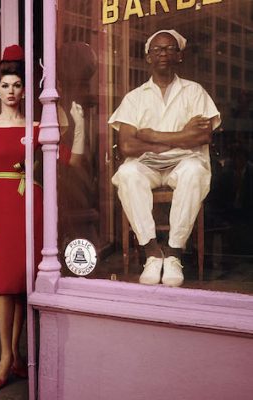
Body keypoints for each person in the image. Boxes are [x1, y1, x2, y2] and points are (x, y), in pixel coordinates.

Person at [109, 30, 221, 287]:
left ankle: (173, 253)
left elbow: (203, 137)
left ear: (179, 56)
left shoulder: (195, 92)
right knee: (127, 173)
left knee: (194, 170)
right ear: (148, 57)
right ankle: (151, 252)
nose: (163, 53)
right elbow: (126, 145)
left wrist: (151, 136)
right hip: (146, 165)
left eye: (170, 49)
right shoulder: (135, 98)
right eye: (157, 50)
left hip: (183, 163)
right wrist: (183, 135)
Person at [0, 45, 43, 392]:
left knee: (22, 283)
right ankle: (5, 356)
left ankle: (18, 356)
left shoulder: (35, 126)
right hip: (0, 203)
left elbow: (65, 156)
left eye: (17, 85)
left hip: (29, 202)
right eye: (6, 85)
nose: (11, 91)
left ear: (23, 90)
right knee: (5, 284)